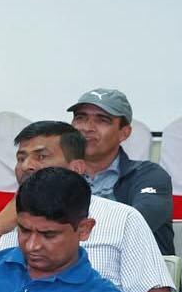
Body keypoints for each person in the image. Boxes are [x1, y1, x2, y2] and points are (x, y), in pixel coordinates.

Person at [0, 122, 174, 292]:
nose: (27, 166)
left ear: (77, 168)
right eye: (21, 158)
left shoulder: (123, 219)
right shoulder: (2, 222)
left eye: (41, 157)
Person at [69, 88, 175, 254]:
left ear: (124, 133)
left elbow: (137, 224)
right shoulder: (57, 176)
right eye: (80, 118)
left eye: (102, 120)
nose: (88, 127)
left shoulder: (148, 175)